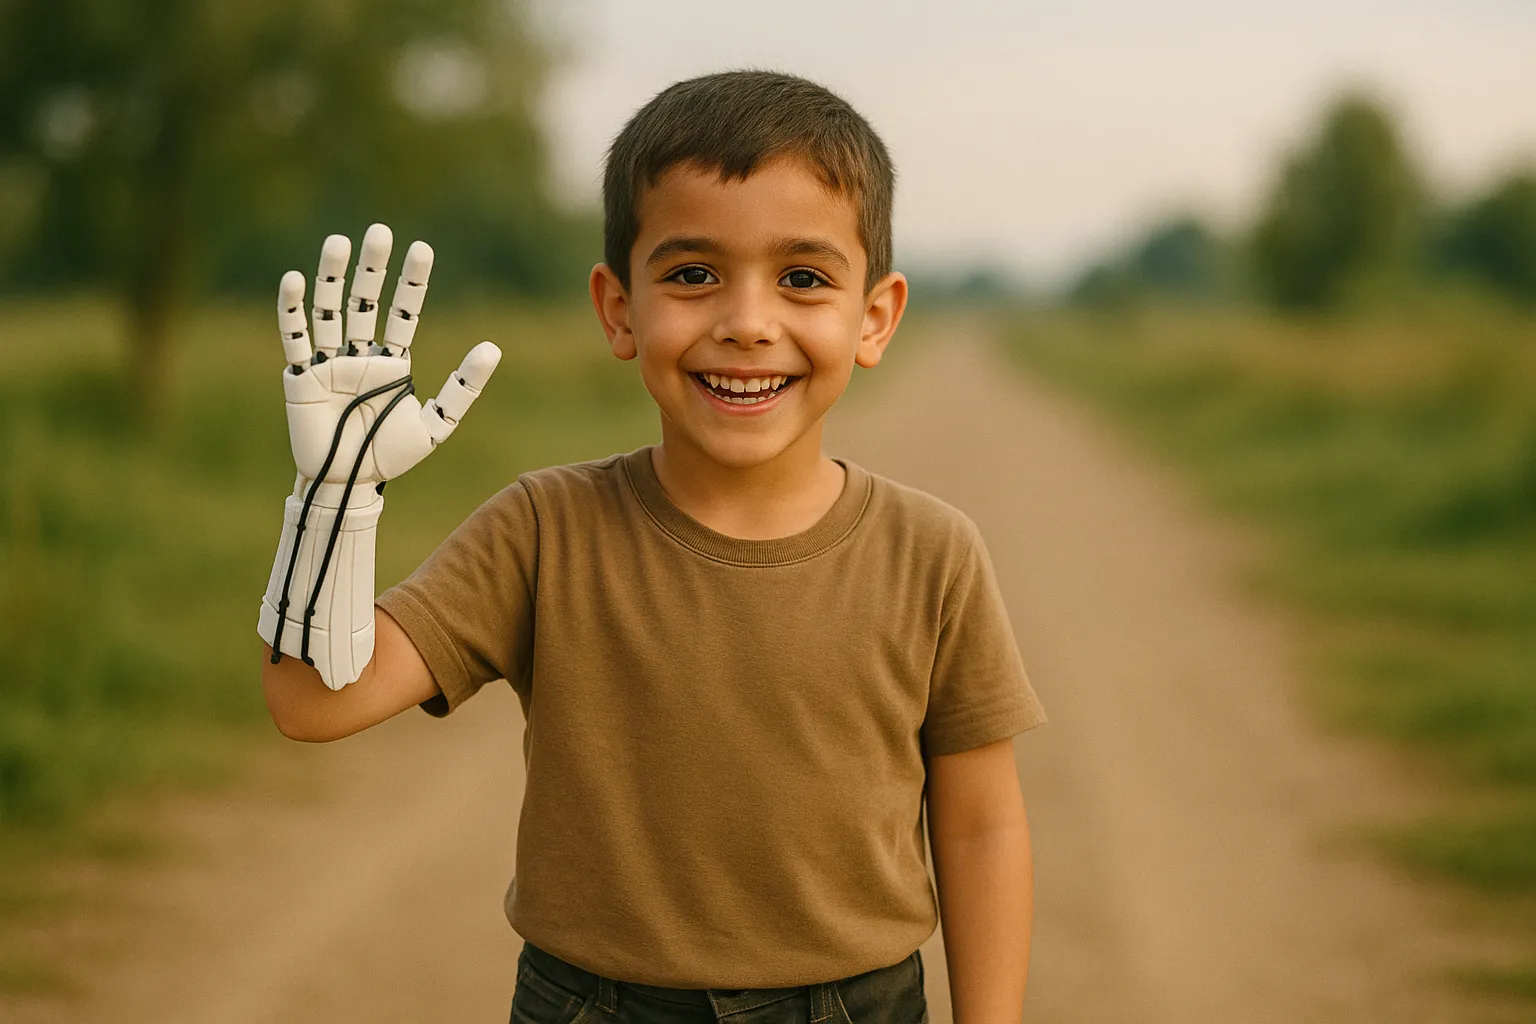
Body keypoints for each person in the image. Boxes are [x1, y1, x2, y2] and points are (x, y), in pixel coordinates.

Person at [259, 69, 1047, 1024]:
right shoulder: (545, 530)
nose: (747, 323)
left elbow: (981, 825)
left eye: (802, 278)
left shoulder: (933, 554)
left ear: (873, 316)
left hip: (860, 1006)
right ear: (619, 307)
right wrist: (332, 500)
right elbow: (309, 700)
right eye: (691, 274)